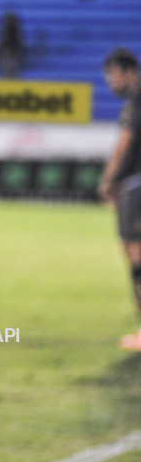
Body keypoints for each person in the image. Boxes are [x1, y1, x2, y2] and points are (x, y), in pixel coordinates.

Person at [99, 47, 141, 350]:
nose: (111, 84)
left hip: (135, 187)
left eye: (113, 76)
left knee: (136, 256)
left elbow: (124, 145)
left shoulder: (135, 105)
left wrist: (108, 180)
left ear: (128, 72)